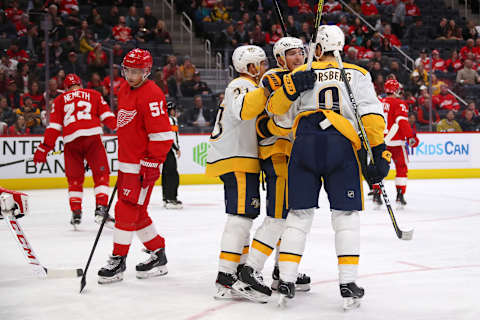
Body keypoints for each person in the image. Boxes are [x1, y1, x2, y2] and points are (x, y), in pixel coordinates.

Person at [267, 25, 390, 309]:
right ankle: (348, 283)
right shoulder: (357, 73)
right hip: (341, 144)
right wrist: (378, 150)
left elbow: (275, 109)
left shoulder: (301, 72)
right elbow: (371, 115)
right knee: (345, 216)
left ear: (318, 49)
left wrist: (293, 86)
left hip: (304, 144)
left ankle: (286, 279)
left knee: (298, 215)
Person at [232, 37, 311, 302]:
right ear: (279, 59)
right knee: (278, 217)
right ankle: (249, 271)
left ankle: (281, 270)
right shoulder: (273, 79)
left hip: (296, 158)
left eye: (301, 52)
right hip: (278, 155)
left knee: (289, 217)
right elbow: (267, 126)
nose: (298, 58)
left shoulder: (307, 75)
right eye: (291, 54)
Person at [97, 48, 173, 284]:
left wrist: (152, 162)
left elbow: (163, 134)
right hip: (126, 163)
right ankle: (158, 253)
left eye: (137, 71)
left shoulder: (151, 93)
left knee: (125, 210)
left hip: (142, 165)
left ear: (147, 71)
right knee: (137, 213)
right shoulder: (123, 89)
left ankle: (118, 259)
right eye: (128, 70)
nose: (131, 75)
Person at [205, 45, 270, 300]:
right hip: (238, 158)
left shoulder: (245, 85)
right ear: (250, 67)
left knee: (242, 215)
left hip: (237, 157)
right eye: (261, 64)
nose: (265, 68)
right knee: (242, 216)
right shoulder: (242, 85)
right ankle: (226, 276)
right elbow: (244, 110)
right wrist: (268, 90)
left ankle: (238, 267)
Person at [33, 74, 116, 228]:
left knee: (75, 179)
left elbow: (54, 128)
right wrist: (123, 130)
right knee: (101, 174)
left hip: (71, 141)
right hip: (92, 137)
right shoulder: (94, 94)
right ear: (80, 84)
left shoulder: (59, 100)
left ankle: (76, 213)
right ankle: (101, 208)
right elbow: (108, 117)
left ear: (65, 88)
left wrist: (43, 149)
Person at [373, 79, 419, 206]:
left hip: (381, 142)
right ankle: (400, 194)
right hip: (396, 143)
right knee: (401, 168)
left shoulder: (378, 102)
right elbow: (402, 122)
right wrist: (410, 136)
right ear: (395, 90)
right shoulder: (399, 103)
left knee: (379, 167)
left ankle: (377, 194)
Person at [162, 101, 183, 209]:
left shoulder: (163, 120)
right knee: (172, 174)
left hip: (164, 149)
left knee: (166, 173)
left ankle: (166, 197)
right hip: (169, 149)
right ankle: (171, 197)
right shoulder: (171, 120)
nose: (175, 112)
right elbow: (171, 136)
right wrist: (176, 148)